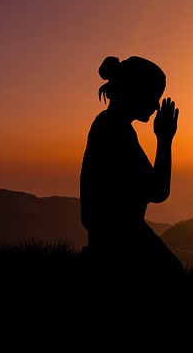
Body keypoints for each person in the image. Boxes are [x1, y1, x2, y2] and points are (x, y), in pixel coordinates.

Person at [79, 55, 185, 292]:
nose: (157, 105)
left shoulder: (108, 126)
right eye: (153, 96)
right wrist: (165, 140)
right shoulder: (116, 133)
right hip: (123, 243)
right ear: (136, 92)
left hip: (111, 240)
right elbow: (158, 192)